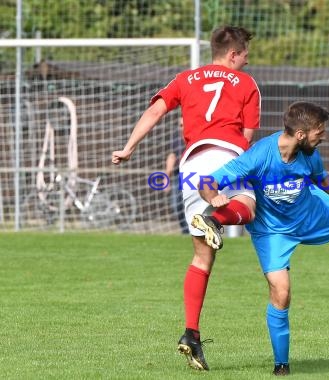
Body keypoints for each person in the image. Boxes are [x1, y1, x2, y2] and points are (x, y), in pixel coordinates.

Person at [111, 25, 261, 371]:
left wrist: (129, 148)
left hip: (192, 164)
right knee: (249, 208)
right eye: (246, 54)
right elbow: (248, 136)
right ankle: (216, 217)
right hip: (226, 156)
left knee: (201, 258)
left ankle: (191, 334)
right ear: (234, 54)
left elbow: (154, 112)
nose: (246, 60)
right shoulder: (247, 84)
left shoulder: (186, 78)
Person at [194, 101, 329, 376]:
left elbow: (321, 177)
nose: (323, 136)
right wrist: (213, 196)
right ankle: (282, 365)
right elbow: (206, 181)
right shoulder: (260, 155)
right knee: (282, 293)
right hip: (272, 231)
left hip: (310, 215)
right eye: (319, 132)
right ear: (301, 134)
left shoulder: (309, 154)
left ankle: (324, 204)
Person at [164, 117, 189, 234]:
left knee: (192, 203)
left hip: (194, 176)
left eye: (184, 124)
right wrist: (166, 177)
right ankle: (185, 231)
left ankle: (195, 229)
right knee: (175, 205)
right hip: (178, 176)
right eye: (180, 125)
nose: (182, 127)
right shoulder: (176, 140)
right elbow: (172, 156)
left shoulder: (196, 139)